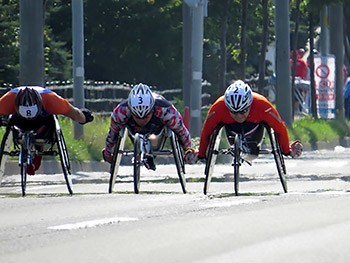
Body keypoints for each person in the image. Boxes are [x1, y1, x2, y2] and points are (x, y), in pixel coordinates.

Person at [196, 80, 303, 162]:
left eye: (243, 111)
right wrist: (201, 154)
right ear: (227, 107)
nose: (239, 116)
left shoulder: (262, 105)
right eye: (233, 112)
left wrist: (286, 151)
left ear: (250, 105)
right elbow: (207, 132)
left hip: (255, 132)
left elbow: (280, 129)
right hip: (231, 131)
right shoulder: (218, 107)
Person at [0, 86, 94, 175]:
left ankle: (39, 147)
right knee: (10, 120)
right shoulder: (7, 101)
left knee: (51, 120)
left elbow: (75, 113)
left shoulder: (52, 100)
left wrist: (84, 118)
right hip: (18, 119)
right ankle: (24, 139)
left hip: (43, 119)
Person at [102, 83, 196, 170]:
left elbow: (181, 131)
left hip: (158, 128)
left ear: (152, 109)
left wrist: (187, 149)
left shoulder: (167, 111)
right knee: (118, 129)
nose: (142, 121)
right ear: (130, 110)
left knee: (176, 127)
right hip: (133, 129)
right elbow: (113, 133)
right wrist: (108, 151)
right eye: (137, 117)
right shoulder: (120, 112)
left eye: (146, 116)